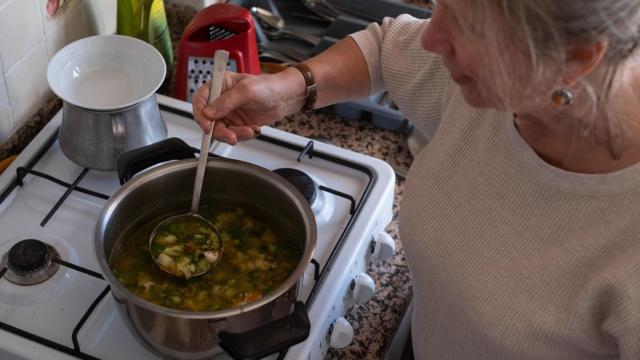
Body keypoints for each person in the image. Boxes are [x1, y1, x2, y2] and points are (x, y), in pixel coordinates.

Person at [193, 0, 640, 358]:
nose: (432, 35)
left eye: (468, 25)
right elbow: (387, 49)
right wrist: (289, 90)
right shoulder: (501, 83)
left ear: (576, 59)